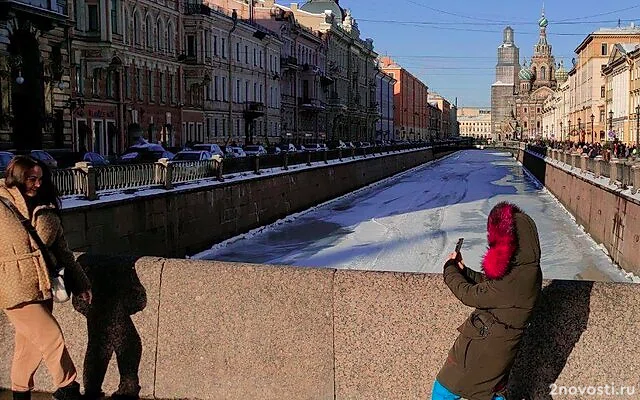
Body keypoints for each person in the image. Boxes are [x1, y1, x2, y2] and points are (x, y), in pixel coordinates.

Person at [0, 155, 92, 400]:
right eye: (31, 179)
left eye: (40, 179)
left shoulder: (47, 209)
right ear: (17, 178)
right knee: (52, 336)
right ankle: (68, 387)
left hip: (43, 286)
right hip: (12, 286)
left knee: (27, 349)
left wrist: (81, 282)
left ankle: (20, 394)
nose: (37, 184)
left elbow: (63, 252)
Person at [432, 202, 542, 400]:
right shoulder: (526, 271)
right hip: (500, 349)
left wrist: (449, 267)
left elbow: (469, 294)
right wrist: (464, 271)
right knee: (492, 390)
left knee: (443, 390)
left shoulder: (513, 280)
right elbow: (490, 286)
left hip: (485, 348)